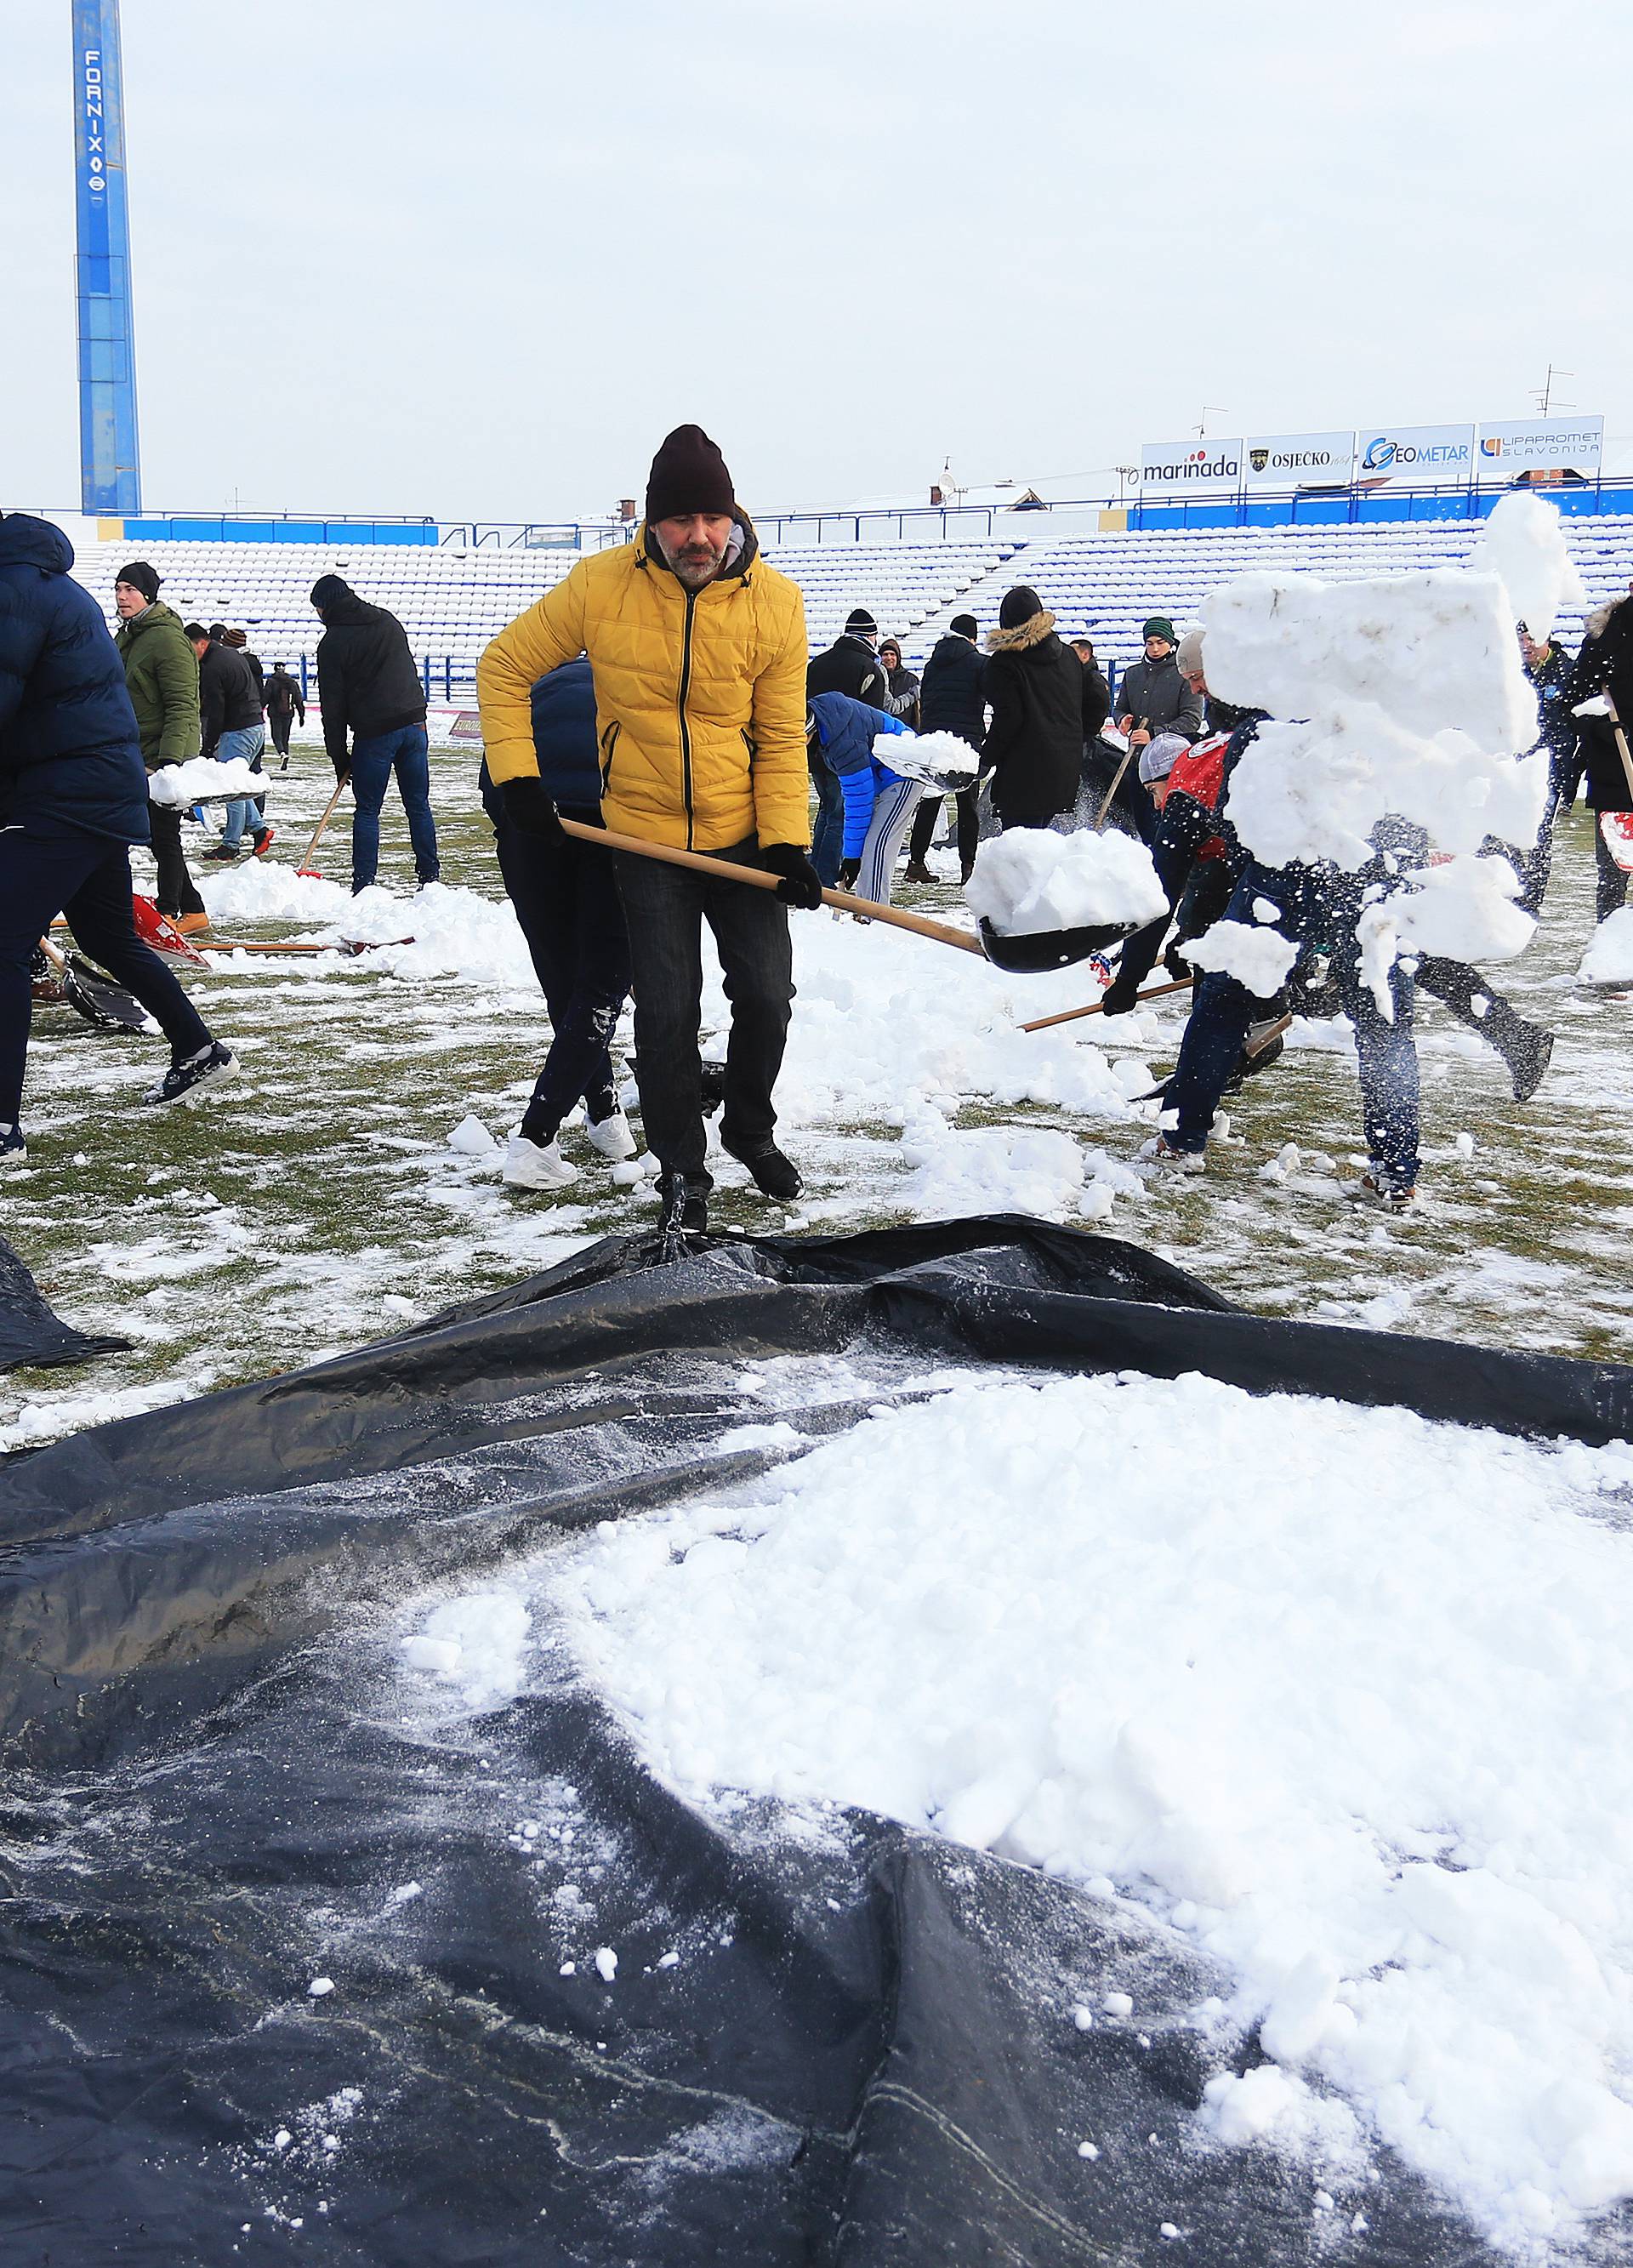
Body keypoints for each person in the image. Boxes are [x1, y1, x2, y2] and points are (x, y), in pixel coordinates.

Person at [475, 423, 819, 1234]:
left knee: (767, 996)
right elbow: (504, 665)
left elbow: (778, 734)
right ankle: (683, 1169)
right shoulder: (601, 585)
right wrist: (519, 776)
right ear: (653, 525)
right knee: (666, 1011)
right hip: (646, 838)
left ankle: (747, 1128)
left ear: (734, 518)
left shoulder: (777, 602)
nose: (698, 537)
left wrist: (787, 843)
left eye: (712, 519)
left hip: (741, 835)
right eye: (680, 521)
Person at [0, 512, 236, 1165]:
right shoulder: (40, 583)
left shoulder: (15, 587)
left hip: (68, 792)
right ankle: (198, 1048)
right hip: (94, 785)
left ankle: (2, 1128)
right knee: (107, 935)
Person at [478, 658, 637, 1189]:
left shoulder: (538, 683)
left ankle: (604, 1112)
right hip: (612, 833)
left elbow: (491, 773)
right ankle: (536, 1139)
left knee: (563, 981)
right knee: (601, 989)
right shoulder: (642, 684)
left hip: (529, 831)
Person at [310, 576, 439, 896]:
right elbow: (409, 670)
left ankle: (364, 884)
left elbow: (333, 707)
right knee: (419, 806)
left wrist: (339, 757)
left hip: (375, 733)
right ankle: (430, 879)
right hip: (414, 725)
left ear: (325, 607)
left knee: (368, 810)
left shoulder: (333, 643)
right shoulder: (387, 620)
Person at [112, 561, 209, 934]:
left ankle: (170, 911)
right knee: (155, 834)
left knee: (164, 834)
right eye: (118, 589)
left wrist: (170, 760)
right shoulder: (129, 634)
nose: (122, 597)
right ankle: (193, 908)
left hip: (161, 754)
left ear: (147, 594)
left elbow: (183, 703)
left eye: (129, 590)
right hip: (134, 751)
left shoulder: (167, 638)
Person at [982, 585, 1082, 830]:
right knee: (1039, 846)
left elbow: (1009, 718)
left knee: (1019, 853)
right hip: (1063, 770)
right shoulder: (1069, 655)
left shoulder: (1004, 663)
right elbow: (1096, 702)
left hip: (1021, 774)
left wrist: (986, 758)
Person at [805, 691, 919, 901]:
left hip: (905, 773)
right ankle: (866, 910)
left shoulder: (841, 740)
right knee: (870, 844)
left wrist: (851, 857)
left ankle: (873, 915)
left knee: (877, 844)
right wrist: (853, 855)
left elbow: (858, 800)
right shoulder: (828, 724)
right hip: (885, 778)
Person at [904, 613, 986, 884]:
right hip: (965, 744)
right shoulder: (978, 663)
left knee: (929, 802)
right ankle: (967, 866)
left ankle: (916, 862)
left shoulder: (932, 664)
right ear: (972, 638)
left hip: (935, 742)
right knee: (967, 807)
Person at [1566, 594, 1633, 922]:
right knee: (1614, 877)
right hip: (1616, 776)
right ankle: (1610, 947)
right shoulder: (1602, 641)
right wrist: (1603, 729)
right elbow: (1572, 703)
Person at [189, 624, 271, 861]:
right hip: (254, 725)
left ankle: (231, 845)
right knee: (239, 785)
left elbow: (217, 710)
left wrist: (208, 745)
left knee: (230, 789)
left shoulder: (213, 667)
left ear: (201, 643)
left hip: (238, 730)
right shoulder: (230, 655)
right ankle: (259, 829)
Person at [1116, 618, 1205, 757]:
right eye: (1150, 643)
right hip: (1137, 756)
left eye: (1160, 642)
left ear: (1170, 642)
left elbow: (1191, 719)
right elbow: (1120, 708)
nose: (1155, 649)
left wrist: (1154, 734)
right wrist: (1122, 719)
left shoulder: (1184, 674)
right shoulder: (1132, 673)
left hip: (1173, 757)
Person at [263, 663, 306, 763]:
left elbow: (266, 697)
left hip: (275, 713)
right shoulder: (292, 682)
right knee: (285, 737)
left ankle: (282, 753)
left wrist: (259, 709)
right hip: (288, 713)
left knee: (276, 736)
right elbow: (298, 699)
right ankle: (285, 754)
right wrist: (301, 715)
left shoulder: (271, 681)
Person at [877, 637, 920, 724]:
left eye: (892, 654)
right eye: (885, 654)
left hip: (905, 732)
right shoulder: (876, 677)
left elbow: (916, 712)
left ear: (898, 657)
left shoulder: (911, 680)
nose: (889, 658)